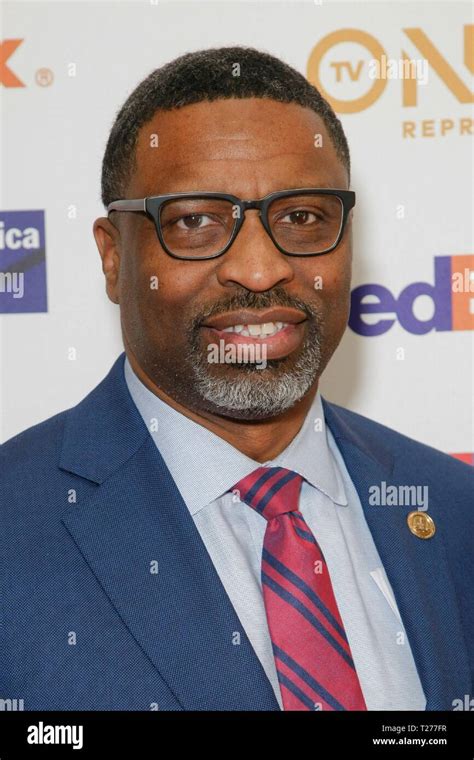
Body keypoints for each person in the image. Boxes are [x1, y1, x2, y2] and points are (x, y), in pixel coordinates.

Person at [1, 46, 472, 712]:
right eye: (195, 221)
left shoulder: (455, 509)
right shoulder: (12, 529)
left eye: (303, 217)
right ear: (113, 258)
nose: (259, 269)